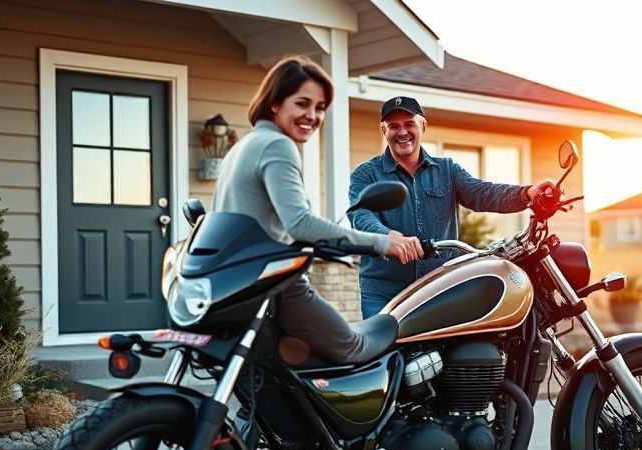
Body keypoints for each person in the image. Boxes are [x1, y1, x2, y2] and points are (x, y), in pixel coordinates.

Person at [211, 57, 420, 363]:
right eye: (302, 104)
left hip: (243, 285)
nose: (312, 115)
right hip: (279, 286)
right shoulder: (277, 145)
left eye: (320, 108)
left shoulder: (244, 145)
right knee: (357, 347)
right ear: (275, 104)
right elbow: (300, 223)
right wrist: (382, 243)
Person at [348, 96, 554, 319]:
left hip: (438, 287)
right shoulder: (366, 174)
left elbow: (482, 193)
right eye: (393, 126)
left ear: (423, 126)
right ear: (383, 130)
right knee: (383, 352)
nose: (402, 132)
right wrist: (387, 237)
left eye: (409, 124)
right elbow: (361, 215)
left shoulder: (447, 170)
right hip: (384, 291)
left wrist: (526, 193)